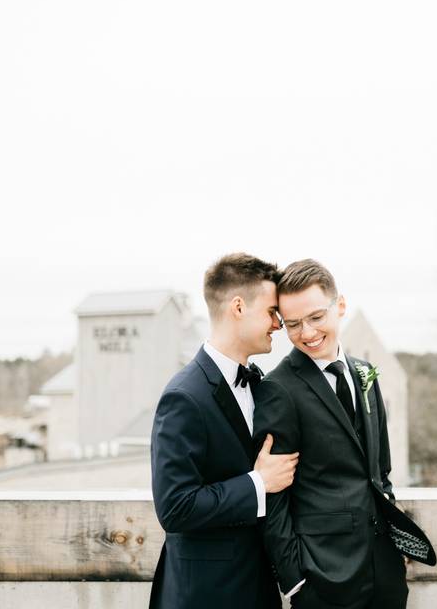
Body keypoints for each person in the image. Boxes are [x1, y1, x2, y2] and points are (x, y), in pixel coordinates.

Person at [254, 259, 436, 609]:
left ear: (340, 306)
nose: (307, 333)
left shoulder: (366, 373)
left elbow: (380, 473)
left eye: (316, 317)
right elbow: (274, 499)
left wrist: (393, 552)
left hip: (384, 573)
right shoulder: (278, 389)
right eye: (293, 324)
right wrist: (294, 582)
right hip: (322, 580)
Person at [149, 253, 299, 609]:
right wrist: (258, 484)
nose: (278, 325)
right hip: (205, 594)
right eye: (270, 312)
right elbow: (174, 507)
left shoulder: (260, 384)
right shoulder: (184, 396)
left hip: (258, 589)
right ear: (238, 307)